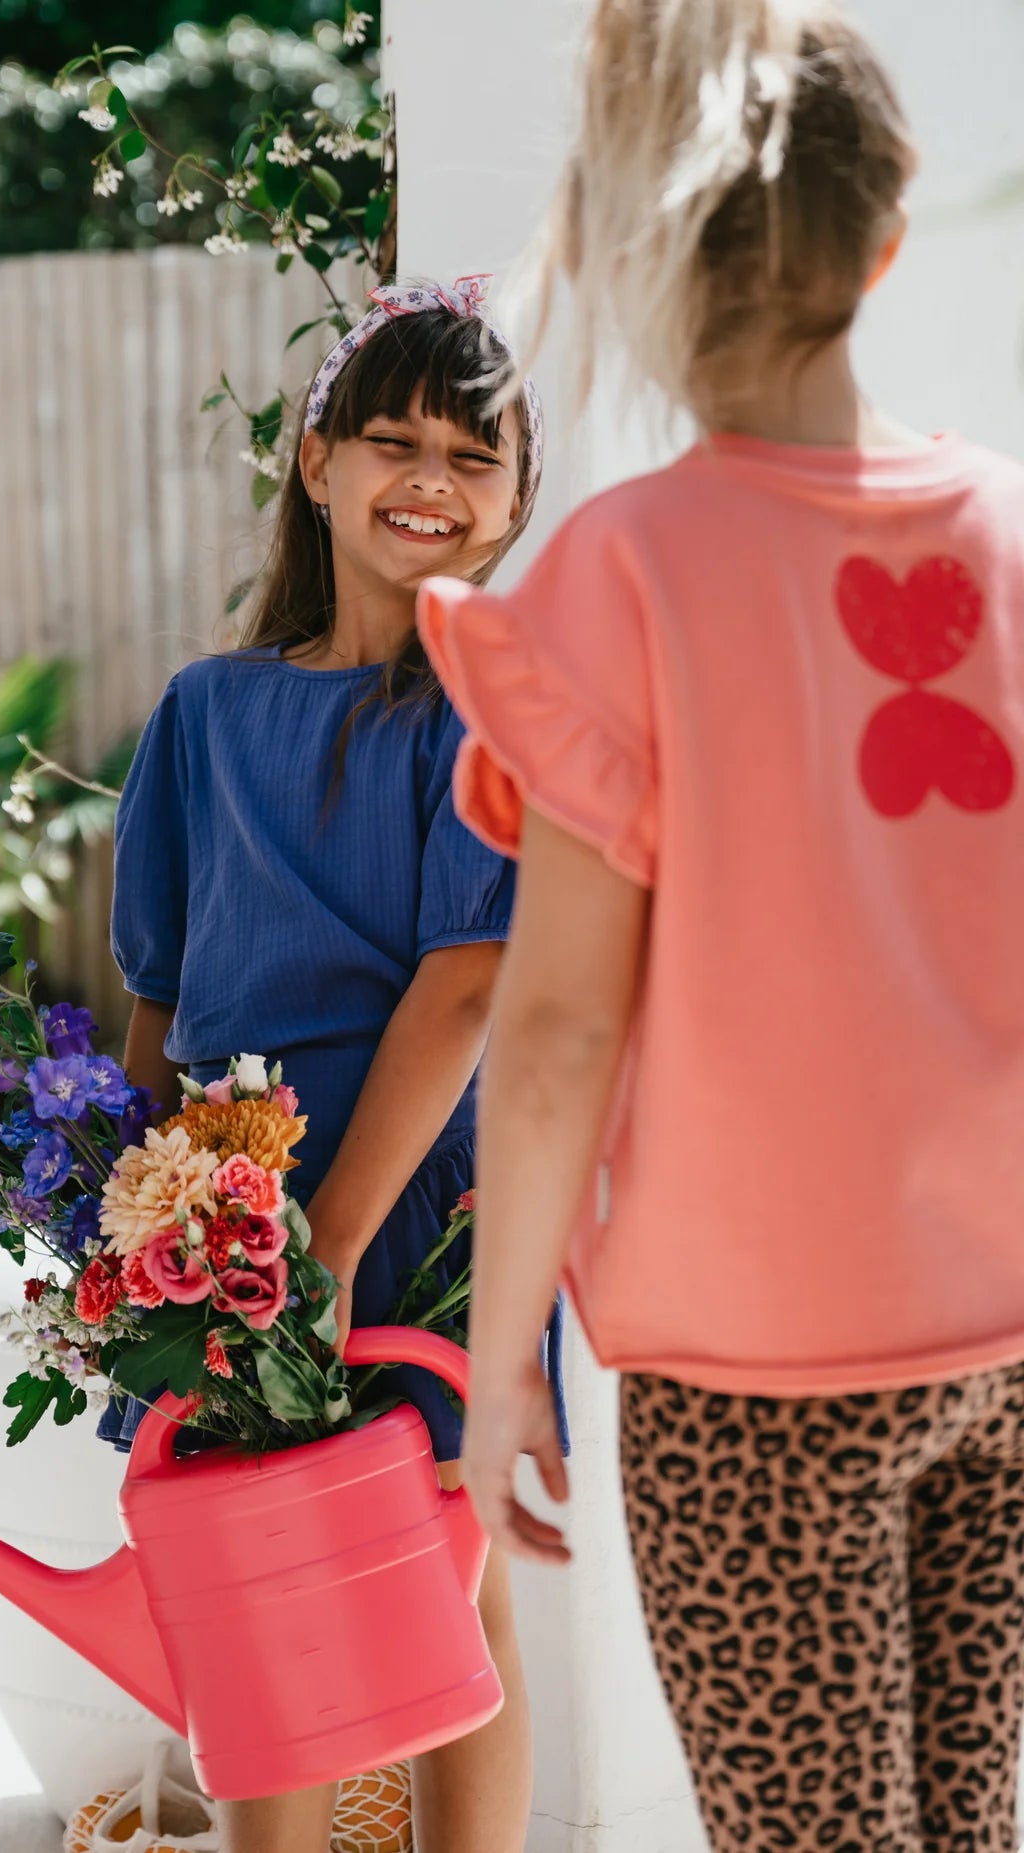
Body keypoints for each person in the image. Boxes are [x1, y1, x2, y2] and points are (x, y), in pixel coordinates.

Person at [419, 6, 1024, 1849]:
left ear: (628, 254)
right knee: (960, 1825)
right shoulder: (1006, 536)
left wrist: (504, 1356)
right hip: (1000, 1339)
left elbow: (556, 1037)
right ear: (888, 235)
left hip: (754, 1384)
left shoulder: (632, 573)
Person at [106, 276, 561, 1853]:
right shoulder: (206, 714)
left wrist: (338, 1232)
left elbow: (464, 981)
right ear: (316, 462)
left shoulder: (489, 705)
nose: (429, 476)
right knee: (259, 1592)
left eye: (473, 452)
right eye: (392, 438)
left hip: (419, 1208)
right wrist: (147, 1219)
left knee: (444, 1581)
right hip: (227, 1217)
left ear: (515, 499)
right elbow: (154, 997)